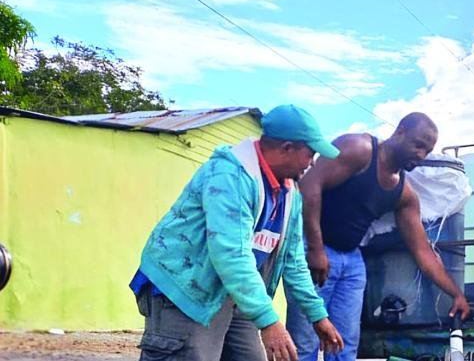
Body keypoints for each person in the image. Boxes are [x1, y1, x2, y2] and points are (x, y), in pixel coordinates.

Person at [130, 104, 345, 361]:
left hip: (232, 292)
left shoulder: (290, 192)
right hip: (185, 288)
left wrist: (317, 316)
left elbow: (294, 261)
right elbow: (231, 254)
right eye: (310, 154)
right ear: (287, 148)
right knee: (193, 355)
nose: (312, 163)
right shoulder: (229, 176)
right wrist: (269, 323)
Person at [287, 112, 471, 361]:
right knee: (305, 341)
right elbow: (309, 185)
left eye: (427, 151)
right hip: (314, 249)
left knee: (344, 344)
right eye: (418, 145)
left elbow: (422, 251)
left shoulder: (403, 194)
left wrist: (456, 293)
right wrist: (316, 249)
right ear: (400, 132)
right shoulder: (359, 150)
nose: (421, 155)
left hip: (351, 261)